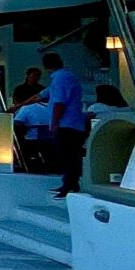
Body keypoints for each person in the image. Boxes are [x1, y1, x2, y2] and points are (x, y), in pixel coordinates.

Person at [42, 51, 88, 198]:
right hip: (74, 122)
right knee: (71, 154)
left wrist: (54, 122)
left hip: (65, 123)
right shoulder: (69, 76)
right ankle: (71, 183)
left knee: (67, 155)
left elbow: (59, 103)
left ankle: (68, 185)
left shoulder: (59, 78)